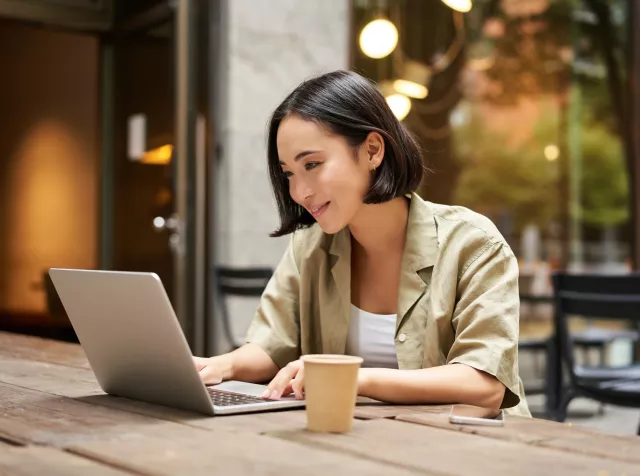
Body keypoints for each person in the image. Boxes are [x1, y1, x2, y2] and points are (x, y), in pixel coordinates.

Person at [194, 70, 530, 416]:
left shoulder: (473, 244)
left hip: (472, 452)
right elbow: (270, 345)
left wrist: (352, 379)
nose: (300, 191)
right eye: (290, 173)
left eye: (312, 164)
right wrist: (219, 367)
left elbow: (485, 385)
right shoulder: (310, 247)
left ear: (372, 150)